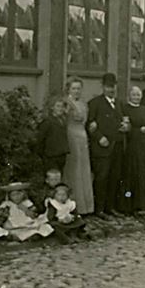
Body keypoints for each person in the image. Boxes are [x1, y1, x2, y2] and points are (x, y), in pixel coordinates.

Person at [87, 73, 129, 218]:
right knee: (101, 177)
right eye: (108, 87)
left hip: (117, 146)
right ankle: (98, 209)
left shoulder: (120, 103)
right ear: (103, 87)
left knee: (114, 177)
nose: (111, 89)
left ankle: (110, 207)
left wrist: (126, 127)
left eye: (113, 87)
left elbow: (125, 121)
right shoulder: (95, 103)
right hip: (102, 147)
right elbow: (90, 125)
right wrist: (99, 137)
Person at [121, 85, 145, 214]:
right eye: (134, 95)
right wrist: (134, 130)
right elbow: (125, 126)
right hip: (132, 145)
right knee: (132, 174)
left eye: (138, 95)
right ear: (129, 96)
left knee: (144, 174)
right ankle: (130, 204)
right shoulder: (125, 109)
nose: (136, 97)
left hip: (144, 145)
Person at [63, 77, 94, 215]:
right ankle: (74, 205)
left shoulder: (83, 104)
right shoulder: (66, 103)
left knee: (83, 169)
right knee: (74, 169)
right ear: (68, 89)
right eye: (73, 88)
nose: (76, 91)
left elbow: (85, 121)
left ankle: (85, 207)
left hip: (82, 136)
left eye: (78, 88)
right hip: (71, 136)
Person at [36, 96, 69, 173]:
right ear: (52, 107)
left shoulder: (63, 121)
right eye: (58, 106)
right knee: (52, 177)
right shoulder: (47, 122)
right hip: (51, 156)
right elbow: (40, 139)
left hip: (61, 154)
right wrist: (42, 155)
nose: (60, 109)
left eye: (62, 106)